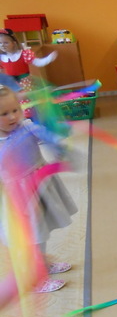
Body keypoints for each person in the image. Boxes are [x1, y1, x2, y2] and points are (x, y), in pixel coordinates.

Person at [0, 85, 77, 293]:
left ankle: (42, 262)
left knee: (41, 230)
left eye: (15, 110)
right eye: (4, 114)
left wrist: (60, 144)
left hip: (39, 185)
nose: (12, 117)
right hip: (18, 196)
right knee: (30, 236)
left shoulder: (27, 127)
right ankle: (35, 277)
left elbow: (48, 135)